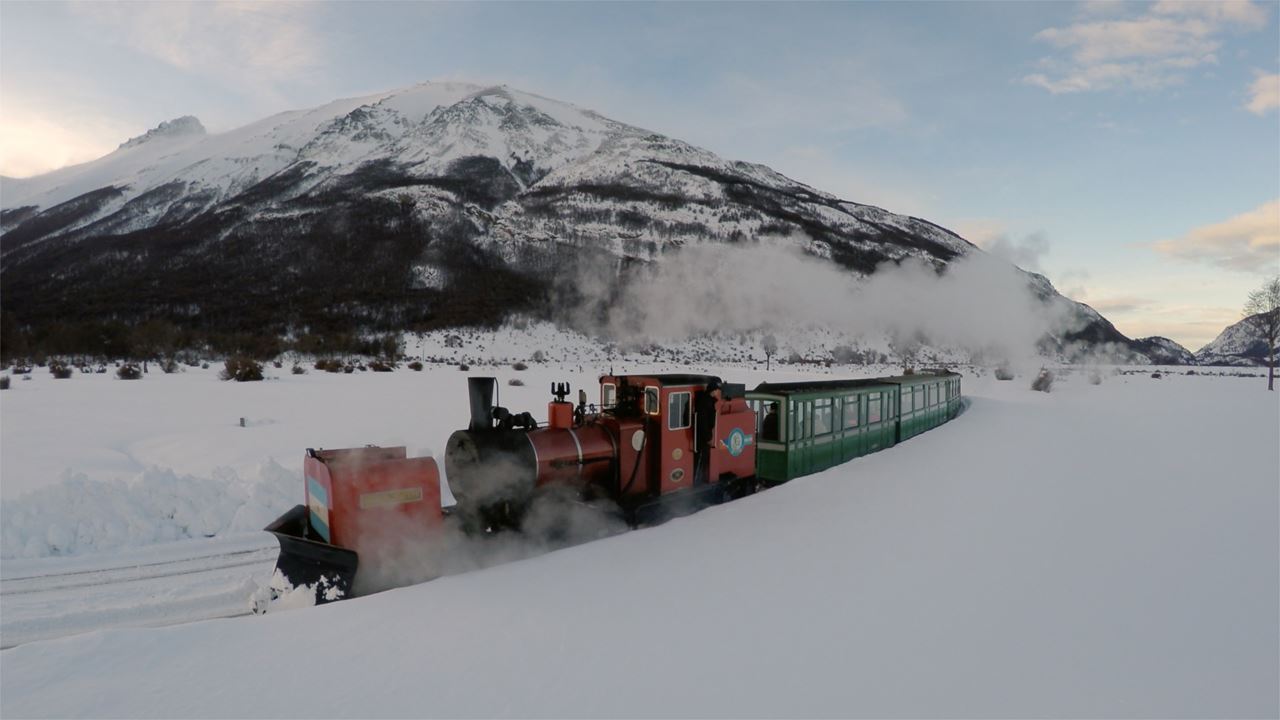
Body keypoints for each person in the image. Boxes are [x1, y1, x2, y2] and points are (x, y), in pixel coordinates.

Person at [693, 379, 722, 485]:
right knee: (701, 458)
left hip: (701, 435)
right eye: (716, 390)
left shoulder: (706, 400)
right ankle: (697, 481)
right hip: (702, 437)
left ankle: (698, 479)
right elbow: (703, 421)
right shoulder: (706, 402)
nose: (717, 392)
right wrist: (708, 437)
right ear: (713, 390)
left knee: (702, 458)